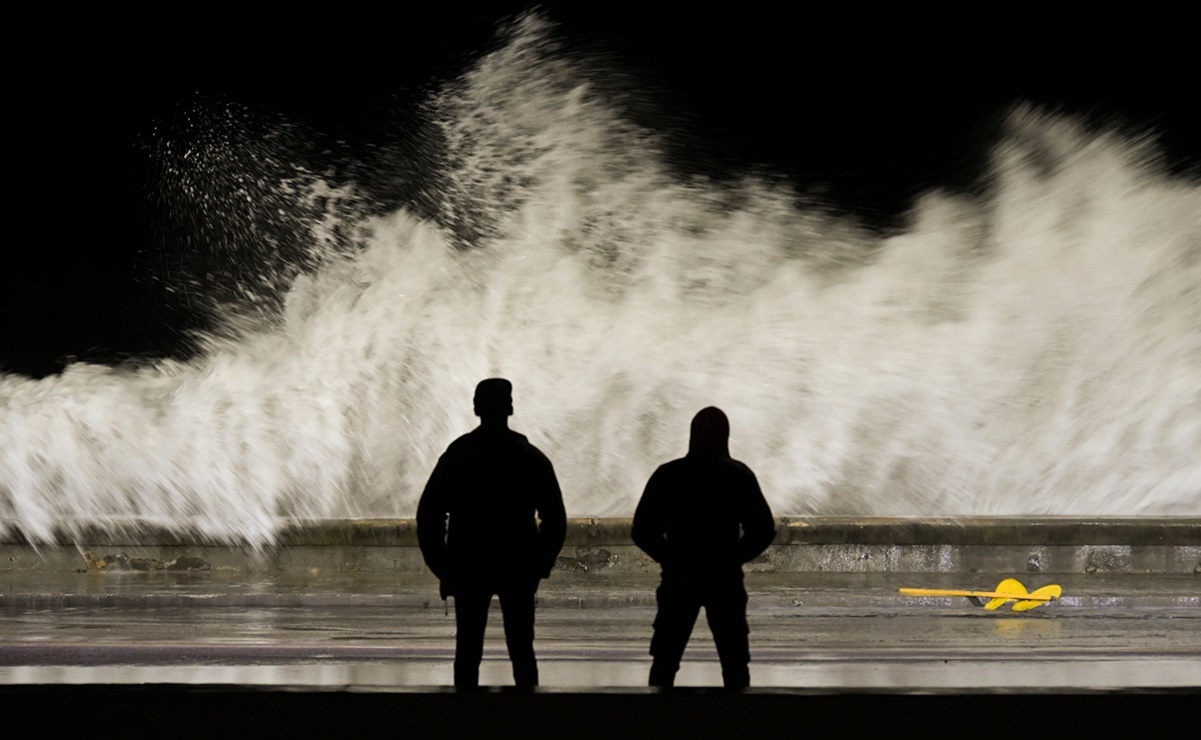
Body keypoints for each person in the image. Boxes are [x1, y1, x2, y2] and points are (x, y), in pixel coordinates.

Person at [416, 378, 567, 689]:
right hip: (518, 565)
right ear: (510, 407)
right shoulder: (530, 456)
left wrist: (442, 566)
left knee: (467, 651)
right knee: (522, 651)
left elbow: (429, 514)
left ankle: (467, 720)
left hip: (468, 565)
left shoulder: (458, 455)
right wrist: (539, 564)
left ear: (476, 407)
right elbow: (555, 519)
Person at [631, 406, 776, 689]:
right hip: (725, 578)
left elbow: (643, 530)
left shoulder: (669, 474)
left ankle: (653, 725)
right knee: (734, 660)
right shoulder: (738, 475)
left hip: (679, 577)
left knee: (665, 658)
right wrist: (733, 558)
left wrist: (670, 559)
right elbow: (763, 530)